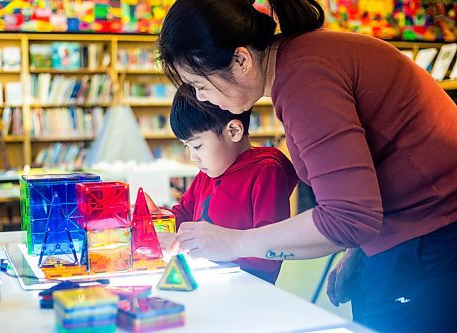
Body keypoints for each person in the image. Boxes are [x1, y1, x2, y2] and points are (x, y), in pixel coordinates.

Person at [157, 0, 457, 332]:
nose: (201, 98)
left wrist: (234, 242)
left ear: (241, 60)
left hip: (434, 237)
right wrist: (360, 250)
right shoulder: (300, 64)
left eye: (201, 85)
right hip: (411, 234)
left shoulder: (304, 78)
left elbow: (347, 217)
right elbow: (362, 182)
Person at [153, 84, 298, 283]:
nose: (192, 157)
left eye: (197, 146)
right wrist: (154, 218)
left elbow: (270, 255)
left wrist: (200, 247)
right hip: (209, 281)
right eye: (187, 147)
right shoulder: (209, 172)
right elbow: (182, 216)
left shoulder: (267, 171)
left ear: (234, 130)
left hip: (248, 289)